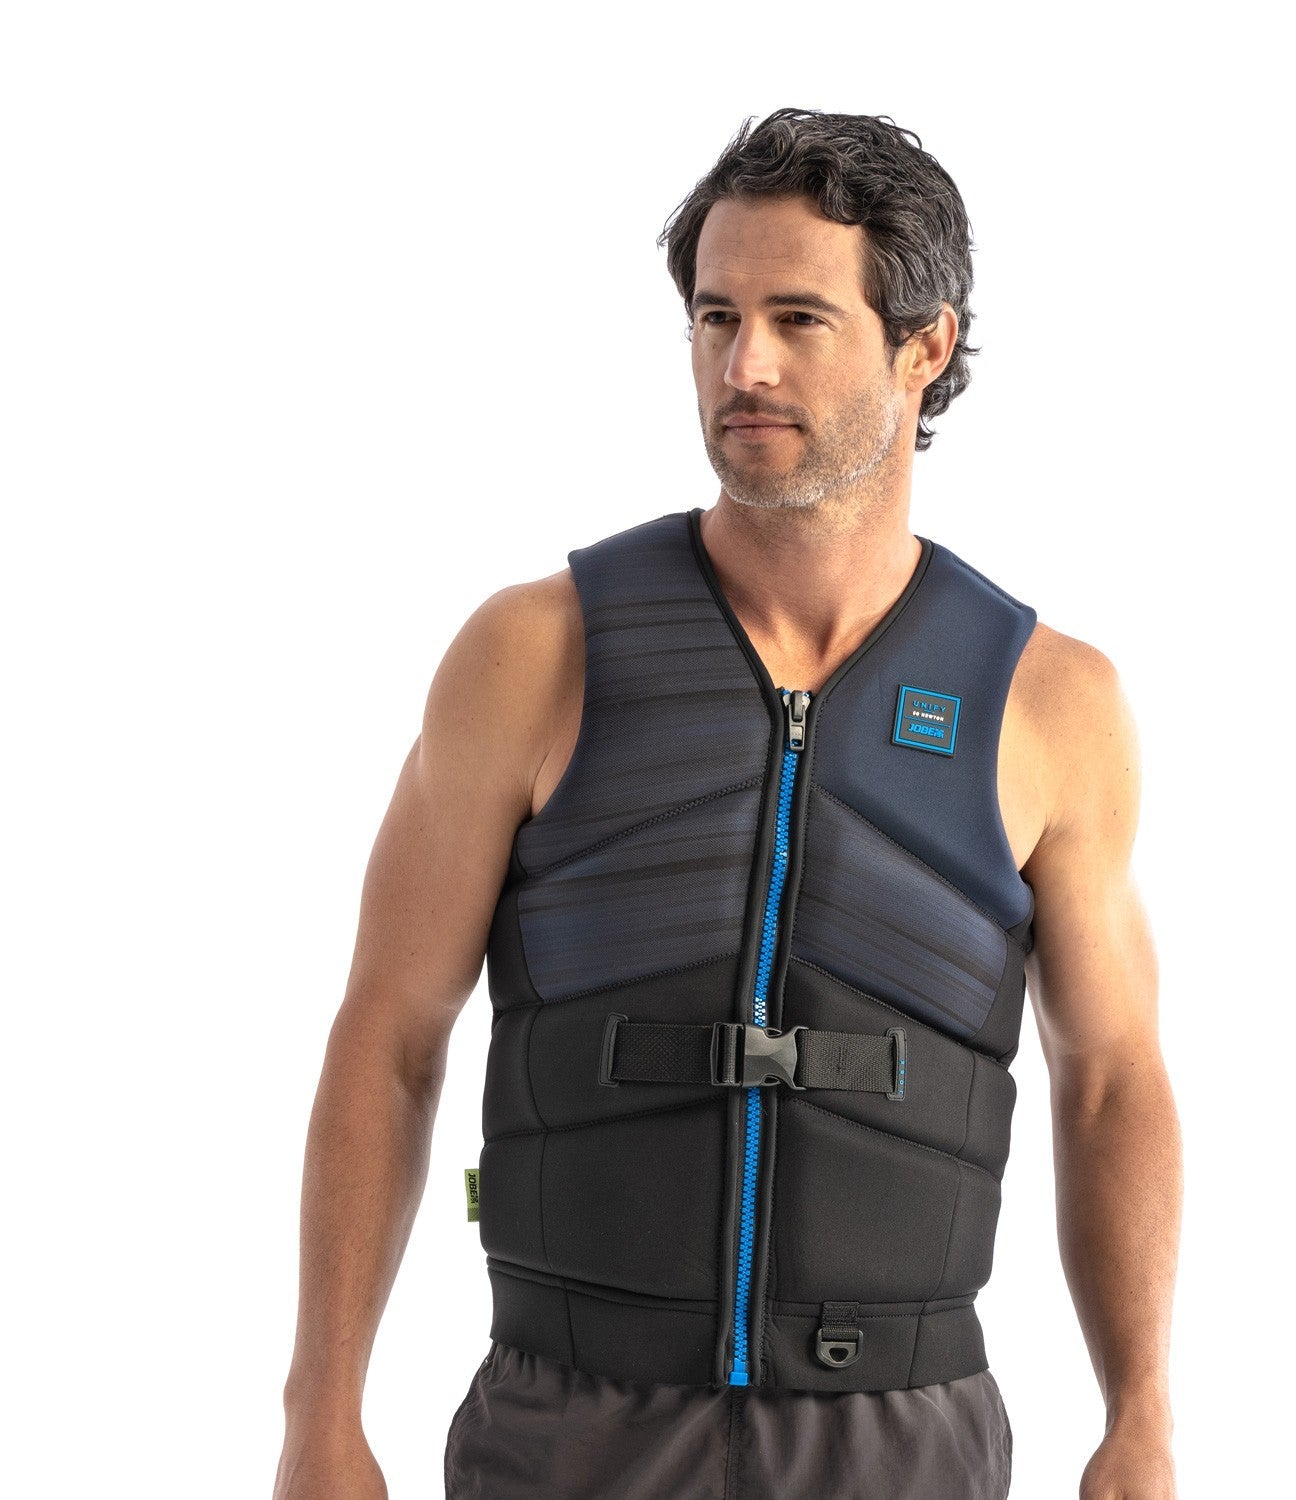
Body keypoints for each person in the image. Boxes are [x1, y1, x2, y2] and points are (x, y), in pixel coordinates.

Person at [273, 107, 1182, 1500]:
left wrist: (1143, 1417)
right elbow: (389, 1035)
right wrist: (319, 1414)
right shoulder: (535, 654)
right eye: (716, 317)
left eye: (798, 319)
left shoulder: (1050, 703)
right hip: (571, 1431)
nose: (742, 365)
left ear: (924, 345)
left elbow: (1111, 1077)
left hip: (900, 1442)